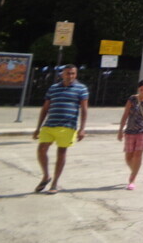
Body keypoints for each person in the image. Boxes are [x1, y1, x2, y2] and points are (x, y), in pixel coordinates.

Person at [33, 64, 89, 194]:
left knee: (61, 153)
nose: (70, 76)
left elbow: (84, 109)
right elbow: (45, 108)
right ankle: (46, 176)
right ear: (62, 74)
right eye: (68, 73)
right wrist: (38, 127)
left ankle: (55, 183)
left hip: (67, 126)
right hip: (50, 124)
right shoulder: (53, 88)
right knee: (41, 149)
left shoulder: (81, 89)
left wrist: (82, 129)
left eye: (73, 73)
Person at [117, 79, 143, 190]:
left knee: (137, 155)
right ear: (138, 89)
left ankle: (132, 179)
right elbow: (125, 114)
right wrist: (120, 130)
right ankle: (134, 170)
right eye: (141, 89)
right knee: (128, 156)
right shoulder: (132, 99)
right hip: (130, 130)